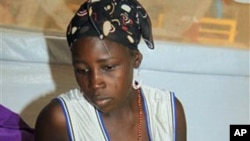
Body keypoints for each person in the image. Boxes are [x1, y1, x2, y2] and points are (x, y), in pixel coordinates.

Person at [34, 0, 186, 141]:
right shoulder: (59, 120)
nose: (94, 83)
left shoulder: (167, 113)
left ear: (136, 60)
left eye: (108, 67)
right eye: (82, 70)